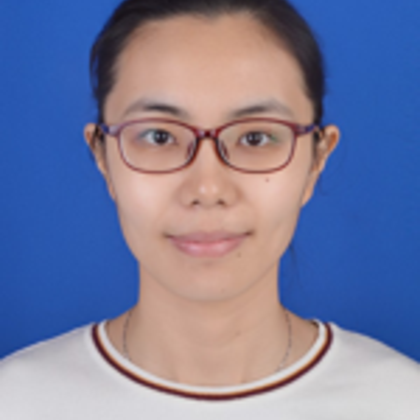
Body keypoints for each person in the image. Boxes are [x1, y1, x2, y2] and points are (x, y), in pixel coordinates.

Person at [1, 0, 419, 418]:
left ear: (317, 160)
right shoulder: (18, 400)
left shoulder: (400, 401)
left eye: (255, 138)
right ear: (102, 158)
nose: (207, 188)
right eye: (159, 136)